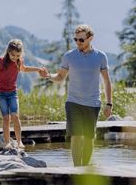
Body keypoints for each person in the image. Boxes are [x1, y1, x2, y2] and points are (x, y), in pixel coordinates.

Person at [41, 24, 112, 166]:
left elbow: (106, 81)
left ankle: (85, 168)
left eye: (81, 40)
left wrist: (109, 103)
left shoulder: (100, 57)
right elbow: (61, 76)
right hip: (73, 102)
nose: (78, 42)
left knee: (89, 137)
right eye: (76, 39)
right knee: (76, 135)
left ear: (90, 38)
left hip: (93, 103)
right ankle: (77, 169)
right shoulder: (69, 56)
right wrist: (48, 75)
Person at [0, 39, 45, 149]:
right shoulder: (0, 61)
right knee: (6, 118)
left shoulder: (18, 62)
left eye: (18, 55)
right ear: (8, 51)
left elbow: (25, 69)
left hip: (13, 93)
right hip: (1, 94)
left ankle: (19, 142)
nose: (15, 57)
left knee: (15, 116)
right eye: (13, 55)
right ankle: (7, 142)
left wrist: (38, 69)